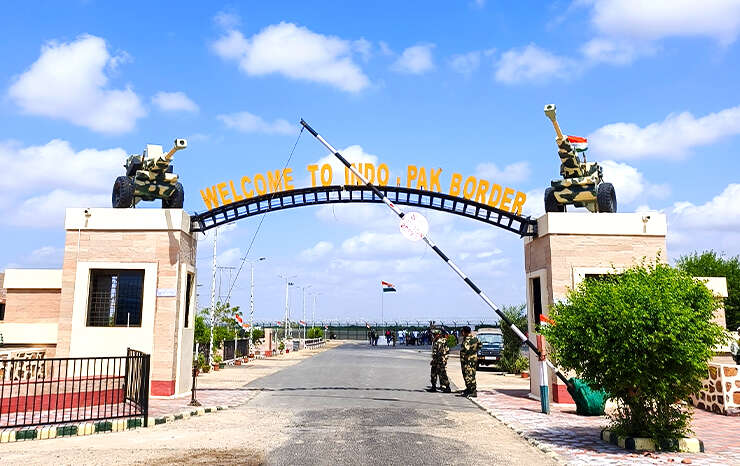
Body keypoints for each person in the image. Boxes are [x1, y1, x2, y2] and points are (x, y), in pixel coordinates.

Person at [459, 326, 482, 398]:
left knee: (469, 375)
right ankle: (469, 389)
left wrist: (468, 355)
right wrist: (474, 352)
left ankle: (473, 391)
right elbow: (480, 345)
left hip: (467, 360)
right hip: (473, 359)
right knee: (471, 374)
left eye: (462, 332)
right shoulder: (475, 338)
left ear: (465, 332)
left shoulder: (466, 341)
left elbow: (465, 350)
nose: (462, 333)